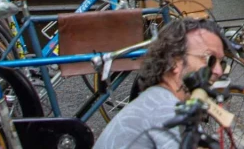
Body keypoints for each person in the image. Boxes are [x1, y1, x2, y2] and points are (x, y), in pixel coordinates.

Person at [93, 18, 226, 149]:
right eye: (210, 59)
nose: (219, 71)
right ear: (175, 61)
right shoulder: (167, 113)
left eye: (222, 62)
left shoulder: (158, 99)